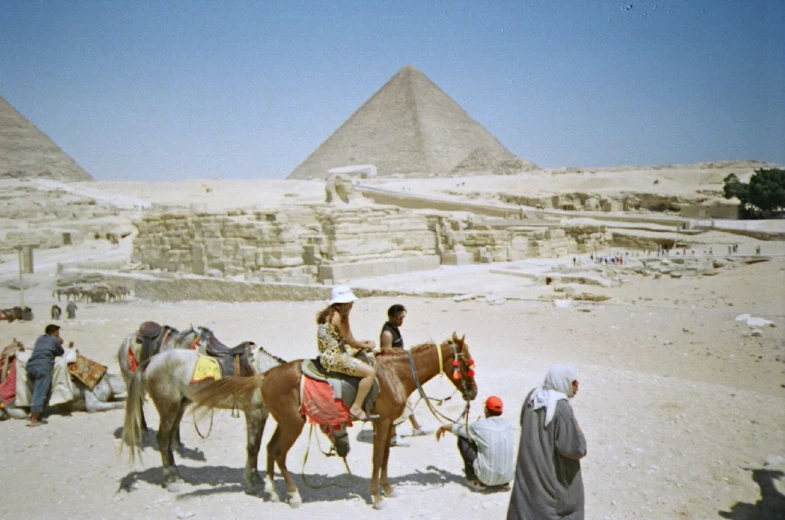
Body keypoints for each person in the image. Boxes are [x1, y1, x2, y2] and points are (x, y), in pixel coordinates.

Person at [507, 365, 587, 520]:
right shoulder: (562, 408)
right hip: (552, 484)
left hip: (529, 476)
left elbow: (523, 422)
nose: (577, 386)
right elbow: (574, 448)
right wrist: (578, 431)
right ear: (563, 381)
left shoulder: (533, 398)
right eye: (574, 382)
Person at [316, 285, 378, 421]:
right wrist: (368, 344)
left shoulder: (329, 314)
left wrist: (361, 344)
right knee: (370, 372)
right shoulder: (340, 318)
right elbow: (352, 342)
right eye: (350, 302)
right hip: (334, 357)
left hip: (328, 354)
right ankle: (356, 407)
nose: (352, 304)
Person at [379, 304, 432, 447]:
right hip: (392, 372)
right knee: (398, 403)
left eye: (403, 318)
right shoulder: (387, 334)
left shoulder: (395, 329)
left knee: (407, 400)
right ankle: (393, 436)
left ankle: (416, 427)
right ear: (391, 317)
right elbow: (386, 354)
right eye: (399, 318)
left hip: (400, 369)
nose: (401, 321)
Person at [436, 396, 515, 490]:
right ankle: (504, 482)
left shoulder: (480, 425)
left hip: (487, 479)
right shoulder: (508, 424)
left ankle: (475, 480)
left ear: (486, 409)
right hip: (508, 476)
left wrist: (443, 428)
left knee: (463, 437)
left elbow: (460, 429)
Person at [26, 324, 66, 427]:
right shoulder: (54, 339)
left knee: (37, 390)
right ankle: (34, 418)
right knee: (40, 392)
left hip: (31, 365)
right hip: (43, 366)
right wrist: (58, 339)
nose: (58, 334)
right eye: (57, 333)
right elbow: (61, 352)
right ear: (53, 333)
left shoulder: (40, 339)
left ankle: (38, 413)